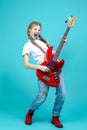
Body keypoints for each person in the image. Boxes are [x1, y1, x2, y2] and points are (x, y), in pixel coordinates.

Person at [22, 21, 67, 128]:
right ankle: (30, 112)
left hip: (56, 70)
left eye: (39, 29)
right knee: (42, 96)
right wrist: (40, 67)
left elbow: (54, 54)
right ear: (29, 30)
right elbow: (26, 65)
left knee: (62, 95)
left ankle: (55, 117)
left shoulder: (45, 42)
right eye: (35, 29)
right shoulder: (27, 45)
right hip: (43, 72)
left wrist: (63, 44)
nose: (37, 31)